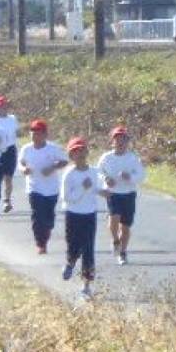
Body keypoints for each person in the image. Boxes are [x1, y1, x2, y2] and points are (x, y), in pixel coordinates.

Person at [61, 137, 110, 298]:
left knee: (88, 250)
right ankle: (70, 262)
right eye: (75, 151)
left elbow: (101, 186)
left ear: (87, 152)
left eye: (82, 150)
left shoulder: (94, 172)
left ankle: (86, 286)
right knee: (74, 246)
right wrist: (83, 188)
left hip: (89, 215)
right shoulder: (69, 174)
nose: (80, 154)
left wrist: (104, 191)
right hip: (73, 214)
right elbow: (67, 197)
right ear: (71, 155)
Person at [97, 125, 146, 266]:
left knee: (125, 227)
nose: (120, 142)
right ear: (112, 142)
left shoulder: (132, 158)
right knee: (113, 221)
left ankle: (123, 252)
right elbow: (98, 172)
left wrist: (129, 176)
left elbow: (141, 176)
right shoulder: (106, 157)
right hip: (113, 193)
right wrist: (106, 179)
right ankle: (115, 241)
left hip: (129, 194)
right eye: (117, 139)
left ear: (127, 141)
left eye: (123, 139)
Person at [18, 119, 68, 254]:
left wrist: (52, 167)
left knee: (48, 218)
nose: (35, 136)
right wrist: (24, 170)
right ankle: (40, 243)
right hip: (34, 188)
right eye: (33, 133)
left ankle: (45, 234)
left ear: (45, 134)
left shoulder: (52, 148)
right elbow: (21, 164)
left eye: (38, 133)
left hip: (51, 189)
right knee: (37, 215)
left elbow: (64, 161)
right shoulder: (26, 149)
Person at [0, 96, 19, 213]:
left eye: (5, 106)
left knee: (8, 178)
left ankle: (7, 201)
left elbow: (17, 132)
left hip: (10, 150)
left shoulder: (13, 118)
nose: (4, 108)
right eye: (1, 106)